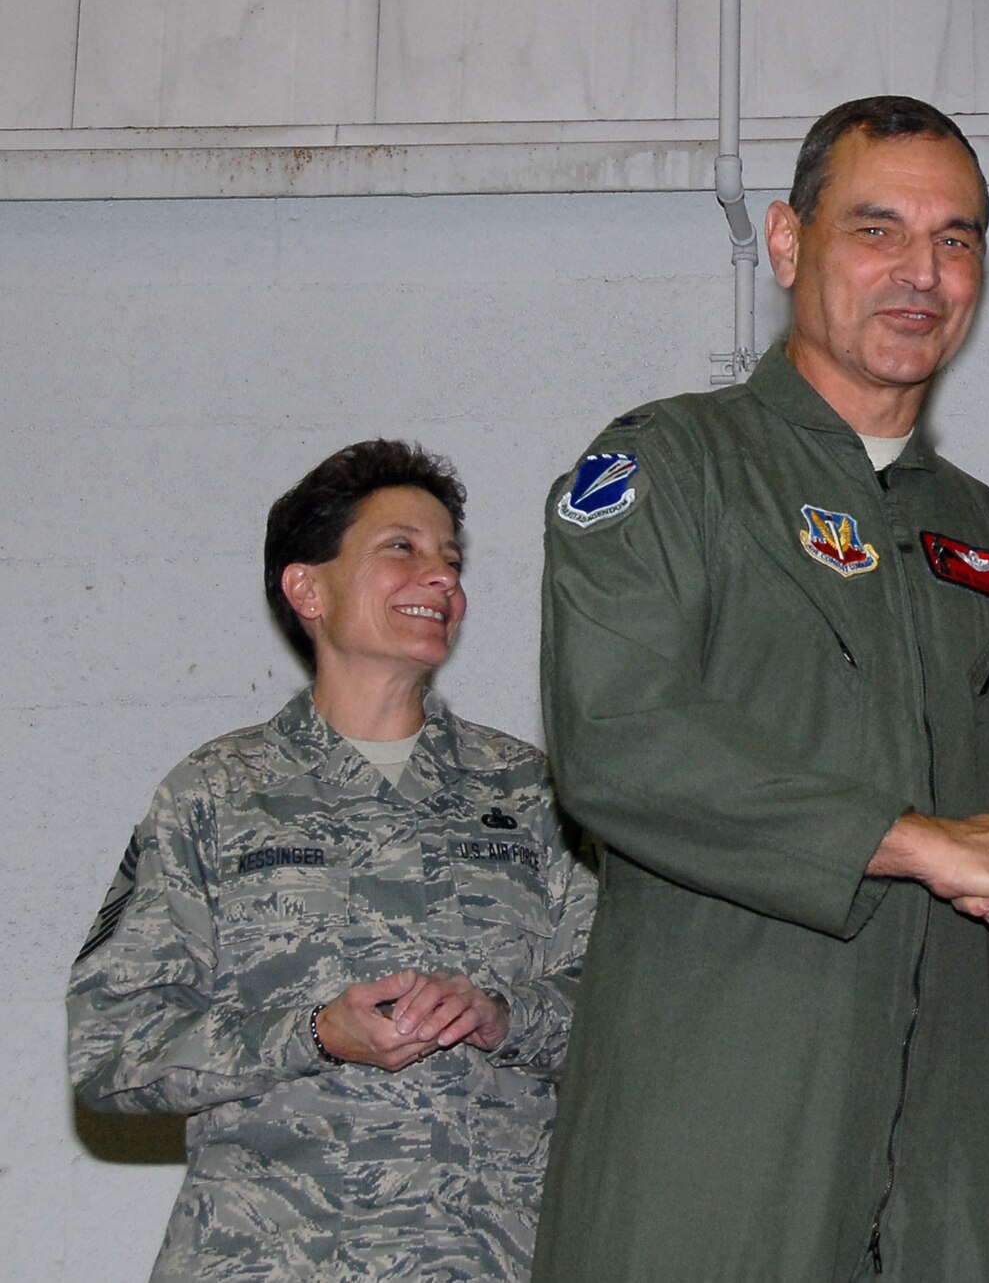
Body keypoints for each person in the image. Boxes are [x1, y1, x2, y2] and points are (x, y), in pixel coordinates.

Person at [533, 95, 989, 1282]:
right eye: (877, 229)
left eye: (955, 239)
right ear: (786, 242)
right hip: (708, 1157)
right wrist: (913, 841)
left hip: (936, 1175)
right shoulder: (670, 469)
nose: (921, 270)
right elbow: (616, 737)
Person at [68, 440, 597, 1282]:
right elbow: (112, 1050)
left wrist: (503, 1014)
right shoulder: (213, 794)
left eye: (451, 560)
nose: (441, 579)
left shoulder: (539, 795)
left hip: (487, 1255)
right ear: (306, 587)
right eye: (402, 549)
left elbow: (620, 1015)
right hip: (265, 1256)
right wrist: (314, 1032)